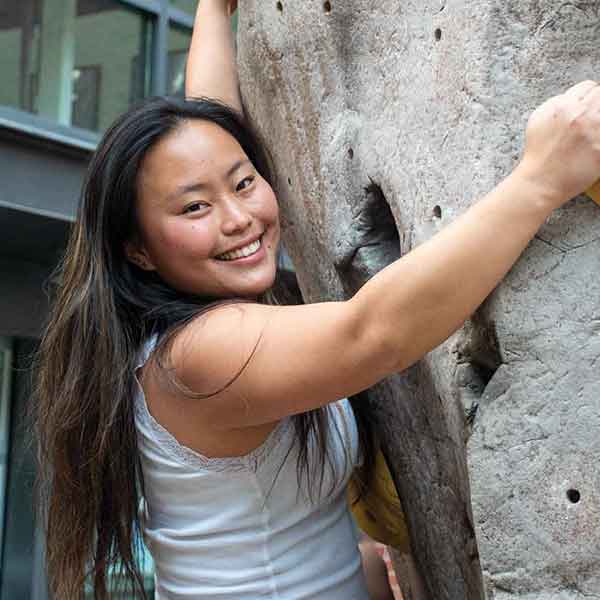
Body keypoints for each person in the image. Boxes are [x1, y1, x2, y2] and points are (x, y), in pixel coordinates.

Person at [32, 0, 600, 598]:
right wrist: (541, 178)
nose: (238, 218)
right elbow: (373, 333)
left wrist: (213, 10)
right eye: (195, 207)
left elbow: (211, 131)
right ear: (139, 250)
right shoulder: (197, 356)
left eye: (245, 182)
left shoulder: (199, 321)